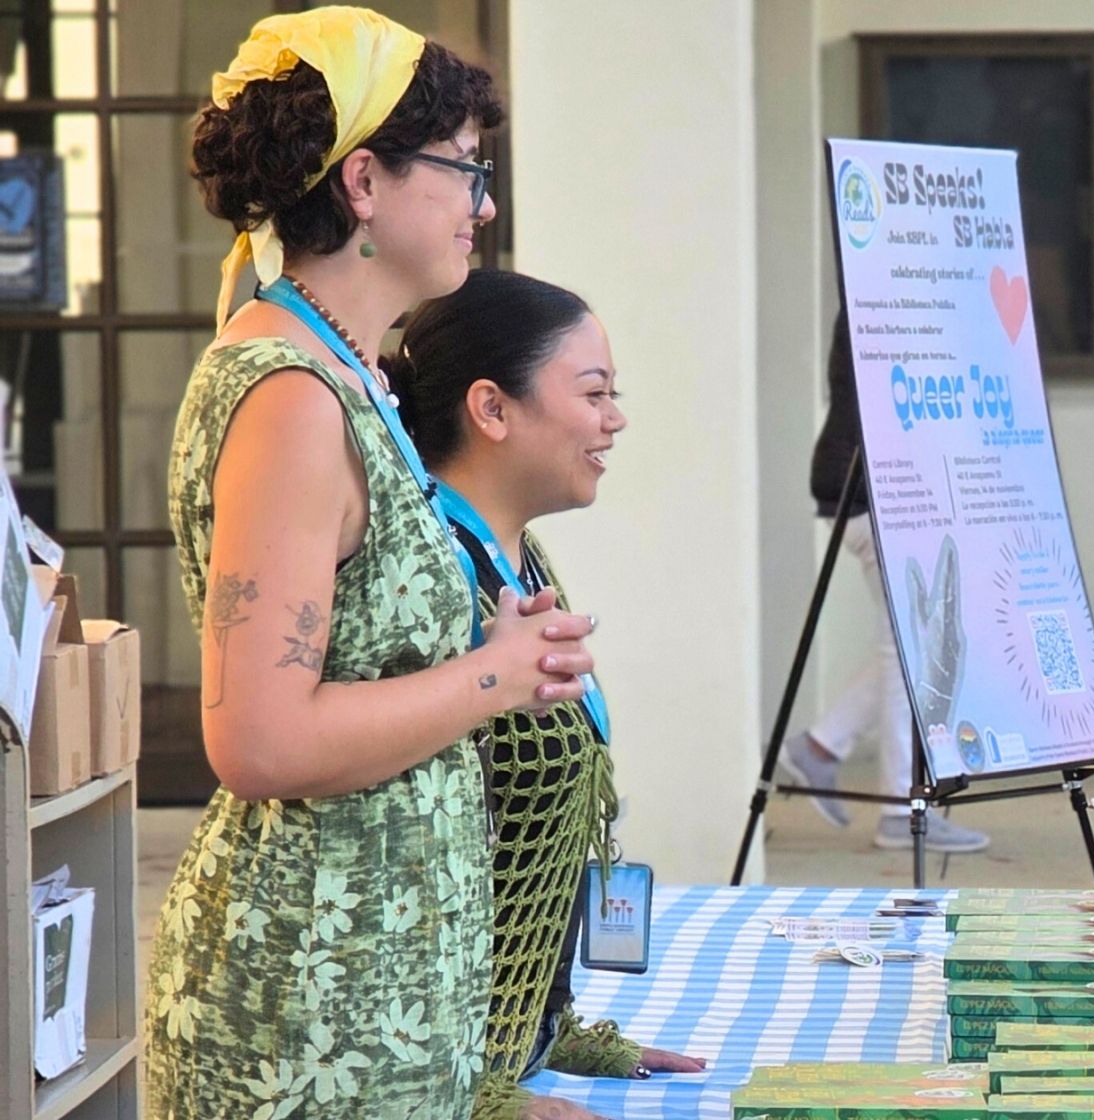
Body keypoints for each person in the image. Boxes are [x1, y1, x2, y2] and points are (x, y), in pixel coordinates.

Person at [152, 9, 593, 1116]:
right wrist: (496, 674)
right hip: (313, 1008)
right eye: (464, 169)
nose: (484, 204)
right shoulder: (294, 396)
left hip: (371, 997)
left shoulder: (341, 372)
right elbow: (258, 738)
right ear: (363, 184)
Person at [388, 269, 706, 1118]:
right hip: (441, 1080)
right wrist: (470, 1094)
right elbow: (412, 870)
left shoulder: (513, 555)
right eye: (594, 392)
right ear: (491, 409)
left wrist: (548, 1031)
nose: (616, 418)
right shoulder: (436, 579)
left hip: (510, 1055)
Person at [773, 309, 989, 853]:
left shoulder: (892, 294)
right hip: (875, 489)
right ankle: (898, 806)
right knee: (915, 646)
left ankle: (820, 749)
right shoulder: (890, 296)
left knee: (908, 642)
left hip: (871, 484)